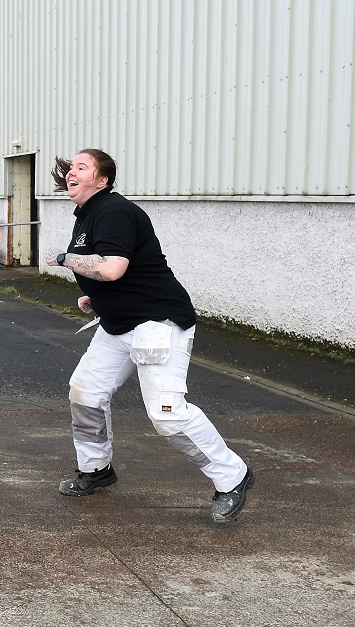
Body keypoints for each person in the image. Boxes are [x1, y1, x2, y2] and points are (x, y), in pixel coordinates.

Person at [45, 149, 255, 523]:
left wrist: (64, 258)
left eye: (82, 168)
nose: (72, 174)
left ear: (103, 180)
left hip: (157, 323)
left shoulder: (113, 211)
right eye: (71, 168)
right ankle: (96, 469)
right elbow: (116, 273)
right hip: (118, 325)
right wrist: (95, 297)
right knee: (86, 392)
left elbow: (111, 268)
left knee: (167, 415)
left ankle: (233, 477)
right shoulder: (89, 214)